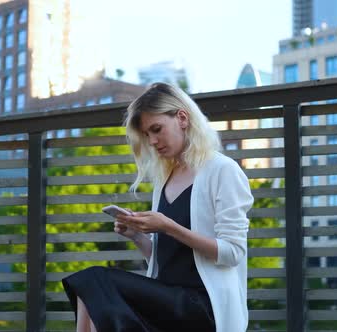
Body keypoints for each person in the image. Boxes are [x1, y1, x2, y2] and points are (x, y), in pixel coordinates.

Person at [62, 82, 254, 332]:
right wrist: (137, 236)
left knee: (94, 279)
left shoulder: (222, 170)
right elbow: (166, 259)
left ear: (182, 118)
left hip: (204, 306)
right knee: (90, 288)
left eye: (157, 129)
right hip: (169, 300)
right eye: (147, 135)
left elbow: (233, 252)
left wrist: (168, 226)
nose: (152, 141)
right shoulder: (165, 179)